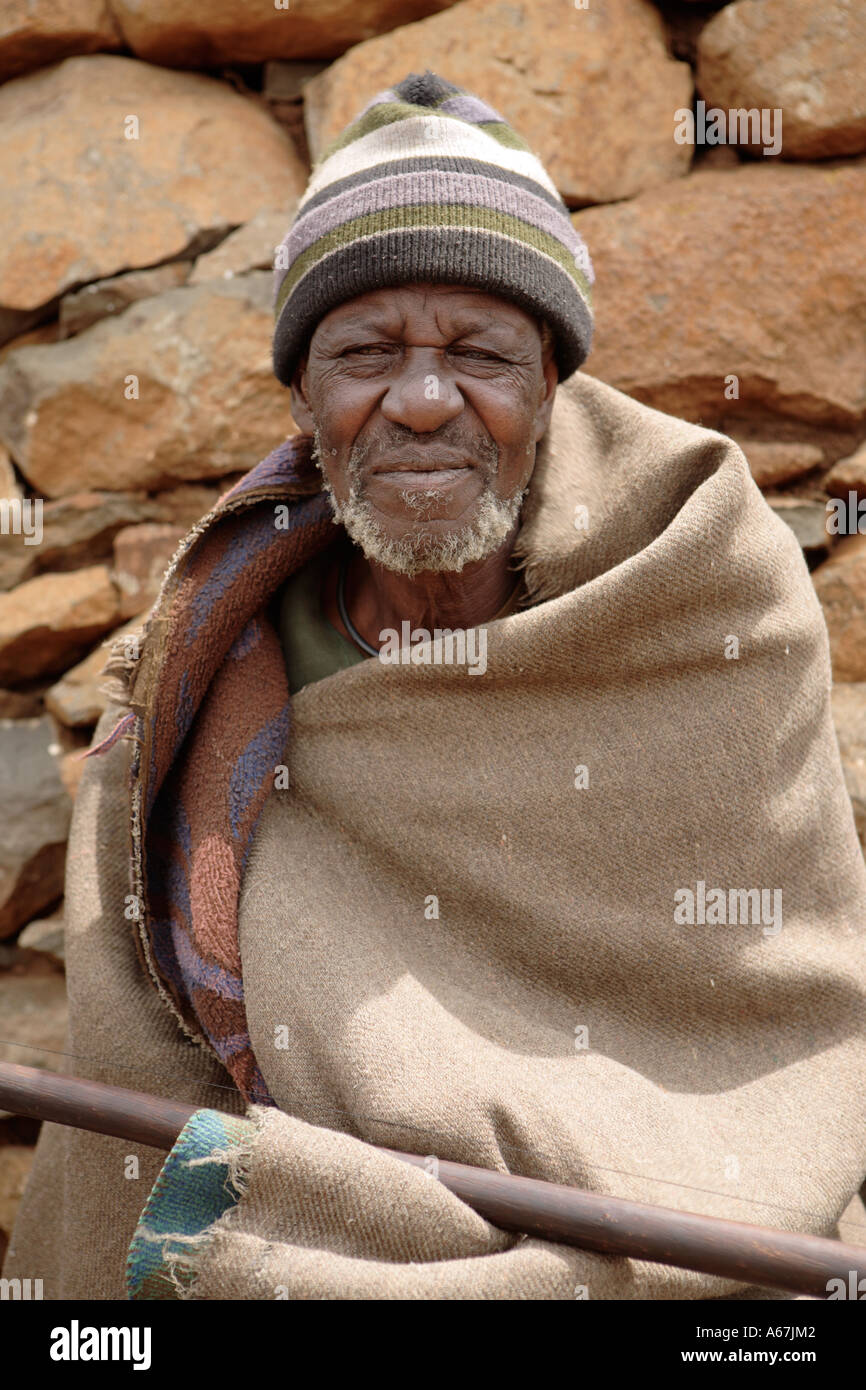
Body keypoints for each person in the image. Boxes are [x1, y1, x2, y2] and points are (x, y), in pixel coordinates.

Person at [5, 71, 866, 1301]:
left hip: (704, 1237)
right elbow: (141, 1060)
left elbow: (764, 1009)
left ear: (549, 386)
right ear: (302, 397)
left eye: (478, 353)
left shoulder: (700, 587)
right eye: (363, 354)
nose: (420, 401)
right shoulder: (210, 654)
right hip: (312, 1226)